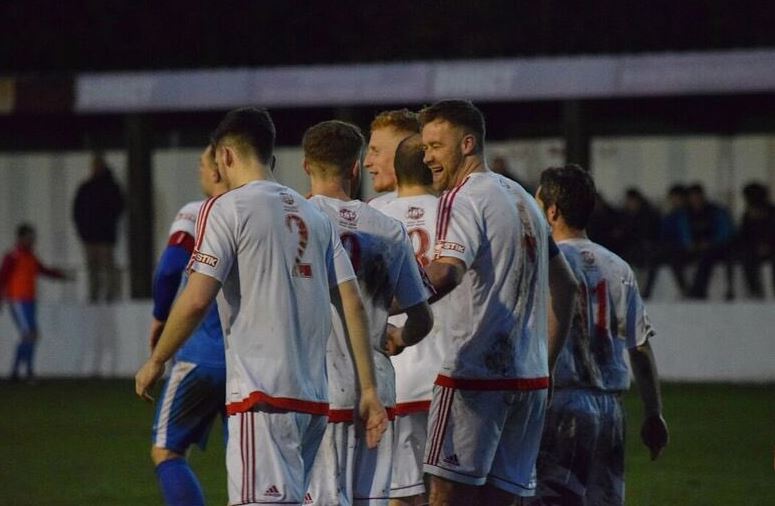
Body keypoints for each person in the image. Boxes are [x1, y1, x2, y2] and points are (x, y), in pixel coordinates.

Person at [135, 107, 389, 506]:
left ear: (227, 157)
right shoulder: (314, 214)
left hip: (261, 398)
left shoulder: (226, 209)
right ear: (271, 157)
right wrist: (369, 387)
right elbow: (351, 303)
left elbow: (197, 296)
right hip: (314, 403)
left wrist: (157, 359)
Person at [418, 99, 578, 505]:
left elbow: (447, 272)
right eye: (425, 147)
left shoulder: (463, 197)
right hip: (529, 380)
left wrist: (391, 306)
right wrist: (548, 360)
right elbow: (567, 285)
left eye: (436, 146)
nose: (427, 157)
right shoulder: (524, 199)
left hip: (476, 378)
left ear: (467, 144)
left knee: (445, 494)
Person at [302, 120, 433, 505]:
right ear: (355, 167)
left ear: (306, 166)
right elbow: (422, 317)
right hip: (377, 389)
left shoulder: (300, 221)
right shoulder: (388, 228)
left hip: (321, 385)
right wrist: (398, 338)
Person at [530, 165, 669, 506]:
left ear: (552, 211)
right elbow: (639, 348)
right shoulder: (618, 266)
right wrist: (654, 413)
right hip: (609, 409)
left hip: (559, 401)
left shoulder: (544, 263)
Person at [148, 145, 228, 506]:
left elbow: (169, 269)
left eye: (201, 164)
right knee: (246, 466)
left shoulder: (197, 214)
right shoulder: (266, 213)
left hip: (201, 353)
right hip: (251, 362)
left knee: (167, 451)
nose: (199, 172)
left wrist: (161, 317)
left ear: (217, 170)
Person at [372, 134, 446, 505]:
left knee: (402, 494)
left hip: (396, 377)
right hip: (451, 374)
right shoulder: (454, 211)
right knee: (450, 491)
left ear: (397, 172)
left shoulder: (375, 217)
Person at [0, 224, 69, 381]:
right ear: (20, 238)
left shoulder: (30, 257)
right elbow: (3, 278)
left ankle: (19, 372)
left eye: (33, 238)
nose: (32, 241)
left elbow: (43, 270)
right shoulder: (12, 256)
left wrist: (60, 275)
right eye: (29, 238)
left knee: (31, 335)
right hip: (17, 300)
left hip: (29, 300)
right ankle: (23, 372)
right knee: (29, 334)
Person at [72, 151, 125, 303]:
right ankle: (95, 294)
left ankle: (110, 294)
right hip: (91, 236)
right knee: (93, 269)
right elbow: (77, 211)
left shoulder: (110, 187)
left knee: (106, 267)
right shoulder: (87, 187)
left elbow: (118, 207)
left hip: (104, 236)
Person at [685, 183, 735, 300]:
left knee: (707, 257)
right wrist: (690, 244)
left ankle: (697, 291)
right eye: (692, 198)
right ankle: (688, 290)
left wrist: (710, 243)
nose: (695, 201)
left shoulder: (715, 211)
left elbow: (726, 232)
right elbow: (683, 232)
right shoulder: (685, 214)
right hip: (695, 248)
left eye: (697, 197)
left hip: (717, 249)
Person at [364, 108, 421, 208]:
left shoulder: (448, 207)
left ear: (403, 153)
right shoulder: (373, 207)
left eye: (376, 152)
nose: (366, 162)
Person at [642, 184, 691, 299]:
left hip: (681, 249)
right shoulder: (671, 215)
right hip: (669, 248)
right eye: (673, 198)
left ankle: (685, 290)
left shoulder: (685, 215)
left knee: (674, 260)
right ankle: (647, 292)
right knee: (654, 260)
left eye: (677, 198)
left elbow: (684, 235)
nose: (674, 201)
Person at [737, 182, 775, 298]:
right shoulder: (747, 216)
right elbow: (743, 237)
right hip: (754, 250)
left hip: (772, 248)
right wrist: (755, 247)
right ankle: (755, 291)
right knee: (747, 259)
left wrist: (769, 246)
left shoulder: (772, 213)